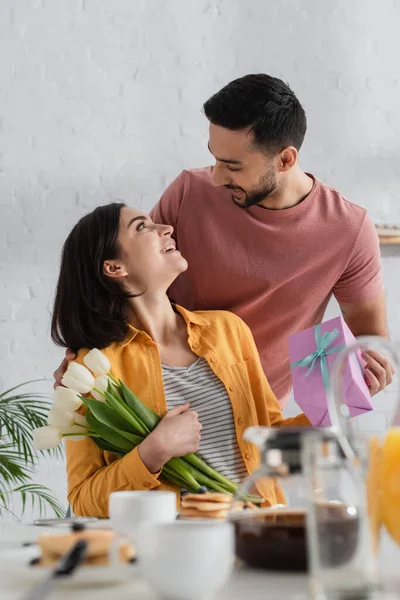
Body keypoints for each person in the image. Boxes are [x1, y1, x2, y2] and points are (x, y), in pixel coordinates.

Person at [52, 203, 309, 517]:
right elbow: (83, 500)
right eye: (142, 227)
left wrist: (338, 401)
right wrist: (153, 452)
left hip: (259, 531)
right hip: (174, 545)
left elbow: (270, 435)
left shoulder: (227, 329)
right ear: (115, 268)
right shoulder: (92, 369)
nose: (166, 229)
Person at [150, 73, 392, 405]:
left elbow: (369, 336)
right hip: (159, 398)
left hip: (255, 418)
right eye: (215, 158)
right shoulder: (188, 192)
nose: (217, 177)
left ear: (285, 159)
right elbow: (124, 288)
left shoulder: (348, 229)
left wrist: (371, 368)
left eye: (233, 167)